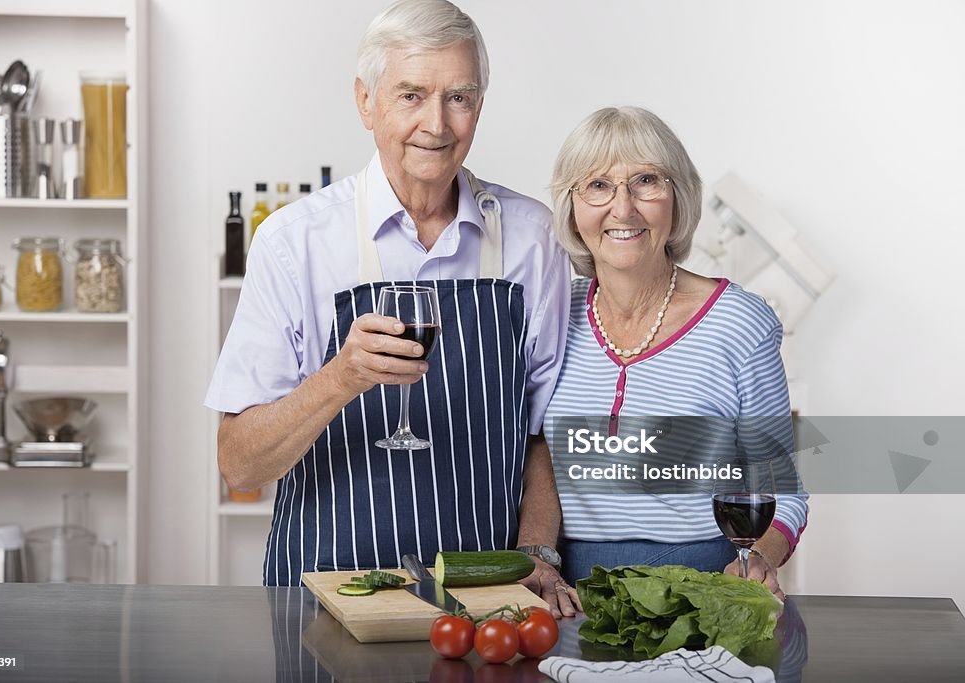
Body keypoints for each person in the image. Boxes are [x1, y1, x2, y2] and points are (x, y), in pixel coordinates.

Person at [205, 0, 580, 615]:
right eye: (411, 95)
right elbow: (239, 463)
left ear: (479, 108)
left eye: (458, 97)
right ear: (365, 102)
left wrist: (538, 552)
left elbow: (542, 434)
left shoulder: (531, 237)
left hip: (485, 600)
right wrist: (338, 380)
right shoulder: (295, 242)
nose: (436, 123)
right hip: (324, 590)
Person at [538, 106, 808, 600]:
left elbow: (782, 490)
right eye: (597, 185)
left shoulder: (740, 322)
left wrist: (758, 561)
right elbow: (533, 458)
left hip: (703, 586)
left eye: (646, 181)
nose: (622, 209)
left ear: (678, 199)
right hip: (567, 592)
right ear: (571, 206)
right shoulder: (550, 312)